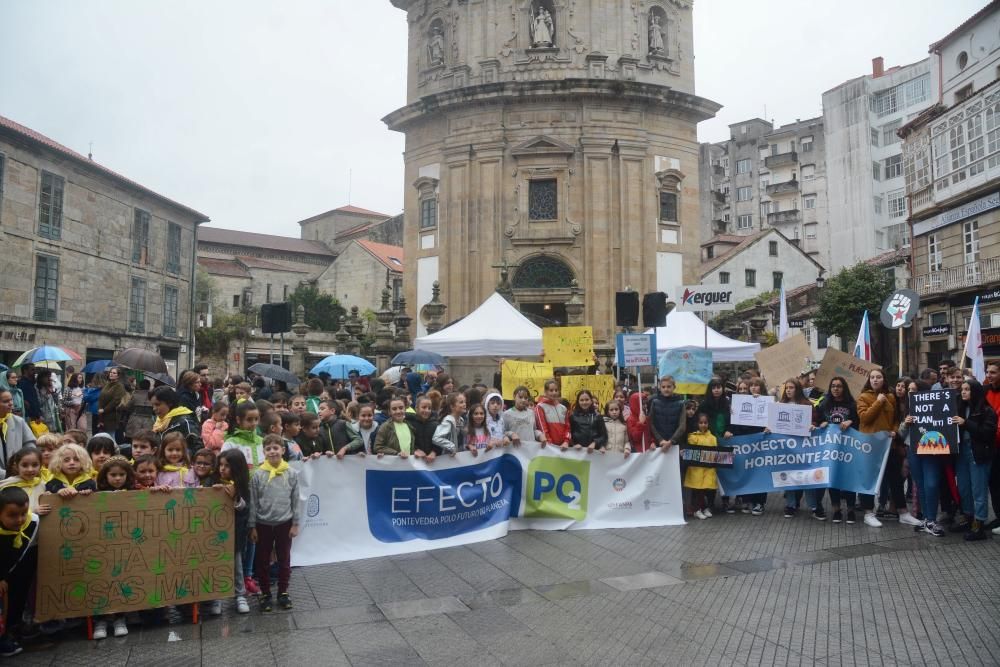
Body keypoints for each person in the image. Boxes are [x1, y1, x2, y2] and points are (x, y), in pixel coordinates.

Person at [249, 434, 301, 612]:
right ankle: (265, 593)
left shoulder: (292, 473)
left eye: (275, 448)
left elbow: (296, 500)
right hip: (263, 524)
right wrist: (252, 526)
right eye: (268, 449)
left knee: (284, 558)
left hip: (284, 523)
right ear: (263, 451)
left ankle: (283, 592)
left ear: (283, 450)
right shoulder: (257, 475)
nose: (272, 451)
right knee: (262, 560)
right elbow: (253, 502)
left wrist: (295, 523)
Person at [93, 457, 135, 638]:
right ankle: (100, 621)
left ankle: (119, 618)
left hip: (124, 547)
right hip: (103, 547)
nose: (117, 479)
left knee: (121, 580)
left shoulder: (134, 492)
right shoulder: (96, 493)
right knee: (101, 581)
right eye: (113, 475)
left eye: (121, 475)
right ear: (105, 476)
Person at [953, 379, 997, 541]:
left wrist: (966, 423)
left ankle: (979, 524)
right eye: (962, 389)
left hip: (977, 453)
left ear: (975, 392)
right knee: (964, 488)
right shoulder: (960, 408)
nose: (963, 392)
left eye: (967, 389)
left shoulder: (987, 411)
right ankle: (969, 517)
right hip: (962, 453)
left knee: (978, 490)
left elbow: (987, 433)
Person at [0, 487, 39, 657]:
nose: (20, 520)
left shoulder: (32, 523)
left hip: (15, 575)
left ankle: (7, 634)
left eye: (23, 513)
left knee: (13, 605)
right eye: (13, 515)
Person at [856, 369, 895, 528]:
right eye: (872, 377)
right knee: (868, 478)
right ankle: (868, 512)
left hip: (886, 444)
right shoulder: (863, 397)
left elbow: (895, 418)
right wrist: (878, 402)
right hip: (869, 444)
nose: (875, 380)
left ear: (884, 379)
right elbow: (865, 418)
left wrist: (895, 430)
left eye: (878, 377)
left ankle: (894, 509)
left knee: (891, 477)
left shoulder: (891, 397)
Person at [777, 379, 821, 520]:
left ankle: (814, 506)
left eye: (792, 387)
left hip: (803, 446)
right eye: (787, 388)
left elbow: (815, 420)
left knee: (807, 476)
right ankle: (791, 505)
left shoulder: (807, 404)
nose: (789, 390)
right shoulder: (780, 405)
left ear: (798, 389)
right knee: (788, 476)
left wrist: (813, 425)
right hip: (787, 448)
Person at [216, 449, 252, 613]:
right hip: (214, 535)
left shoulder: (243, 486)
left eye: (227, 466)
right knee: (215, 566)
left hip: (235, 534)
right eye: (221, 465)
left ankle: (240, 595)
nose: (222, 469)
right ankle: (215, 598)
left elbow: (245, 510)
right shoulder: (214, 482)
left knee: (236, 565)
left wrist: (235, 498)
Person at [150, 386, 203, 458]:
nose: (154, 409)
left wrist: (180, 457)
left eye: (158, 404)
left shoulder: (185, 422)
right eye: (153, 405)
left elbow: (198, 448)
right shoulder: (158, 423)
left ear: (169, 403)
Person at [685, 413, 718, 519]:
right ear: (697, 424)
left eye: (705, 423)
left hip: (709, 469)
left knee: (708, 489)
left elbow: (717, 452)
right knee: (697, 490)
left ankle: (705, 508)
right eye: (701, 423)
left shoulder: (713, 438)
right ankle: (697, 510)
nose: (703, 425)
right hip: (697, 469)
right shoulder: (692, 437)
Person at [0, 447, 51, 515]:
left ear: (40, 466)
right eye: (24, 465)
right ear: (16, 466)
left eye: (35, 465)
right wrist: (33, 512)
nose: (30, 469)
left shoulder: (42, 485)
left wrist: (48, 498)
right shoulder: (8, 487)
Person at [0, 389, 36, 470]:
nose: (11, 403)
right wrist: (5, 475)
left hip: (18, 474)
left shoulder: (19, 421)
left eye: (11, 400)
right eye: (5, 401)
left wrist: (25, 464)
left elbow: (30, 444)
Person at [222, 401, 265, 467]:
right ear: (238, 420)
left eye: (256, 419)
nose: (254, 423)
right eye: (249, 420)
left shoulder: (263, 441)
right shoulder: (230, 443)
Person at [649, 376, 685, 454]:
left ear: (674, 387)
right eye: (663, 387)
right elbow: (651, 423)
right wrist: (660, 440)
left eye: (669, 386)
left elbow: (682, 426)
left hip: (674, 445)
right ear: (660, 388)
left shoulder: (681, 404)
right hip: (658, 445)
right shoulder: (655, 403)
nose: (666, 389)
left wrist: (671, 441)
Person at [984, 362, 1000, 534]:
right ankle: (998, 516)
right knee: (993, 484)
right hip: (990, 444)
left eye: (993, 372)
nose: (989, 375)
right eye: (988, 372)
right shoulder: (985, 390)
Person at [97, 367, 128, 439]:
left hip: (112, 415)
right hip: (102, 415)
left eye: (114, 373)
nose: (111, 374)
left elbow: (116, 401)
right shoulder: (107, 384)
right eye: (111, 372)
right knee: (103, 436)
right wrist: (100, 408)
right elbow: (101, 398)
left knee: (110, 436)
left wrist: (104, 410)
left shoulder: (119, 386)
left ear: (118, 376)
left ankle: (113, 449)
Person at [535, 380, 567, 447]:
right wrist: (550, 445)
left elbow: (567, 427)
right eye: (551, 390)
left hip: (563, 446)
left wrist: (566, 441)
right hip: (550, 447)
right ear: (545, 392)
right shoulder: (540, 407)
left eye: (556, 390)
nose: (554, 392)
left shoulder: (563, 408)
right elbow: (542, 428)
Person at [35, 369, 61, 434]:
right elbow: (39, 403)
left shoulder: (50, 386)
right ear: (42, 377)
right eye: (47, 377)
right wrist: (46, 394)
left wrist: (54, 393)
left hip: (53, 417)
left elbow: (54, 401)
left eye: (50, 376)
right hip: (44, 417)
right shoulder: (37, 388)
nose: (49, 378)